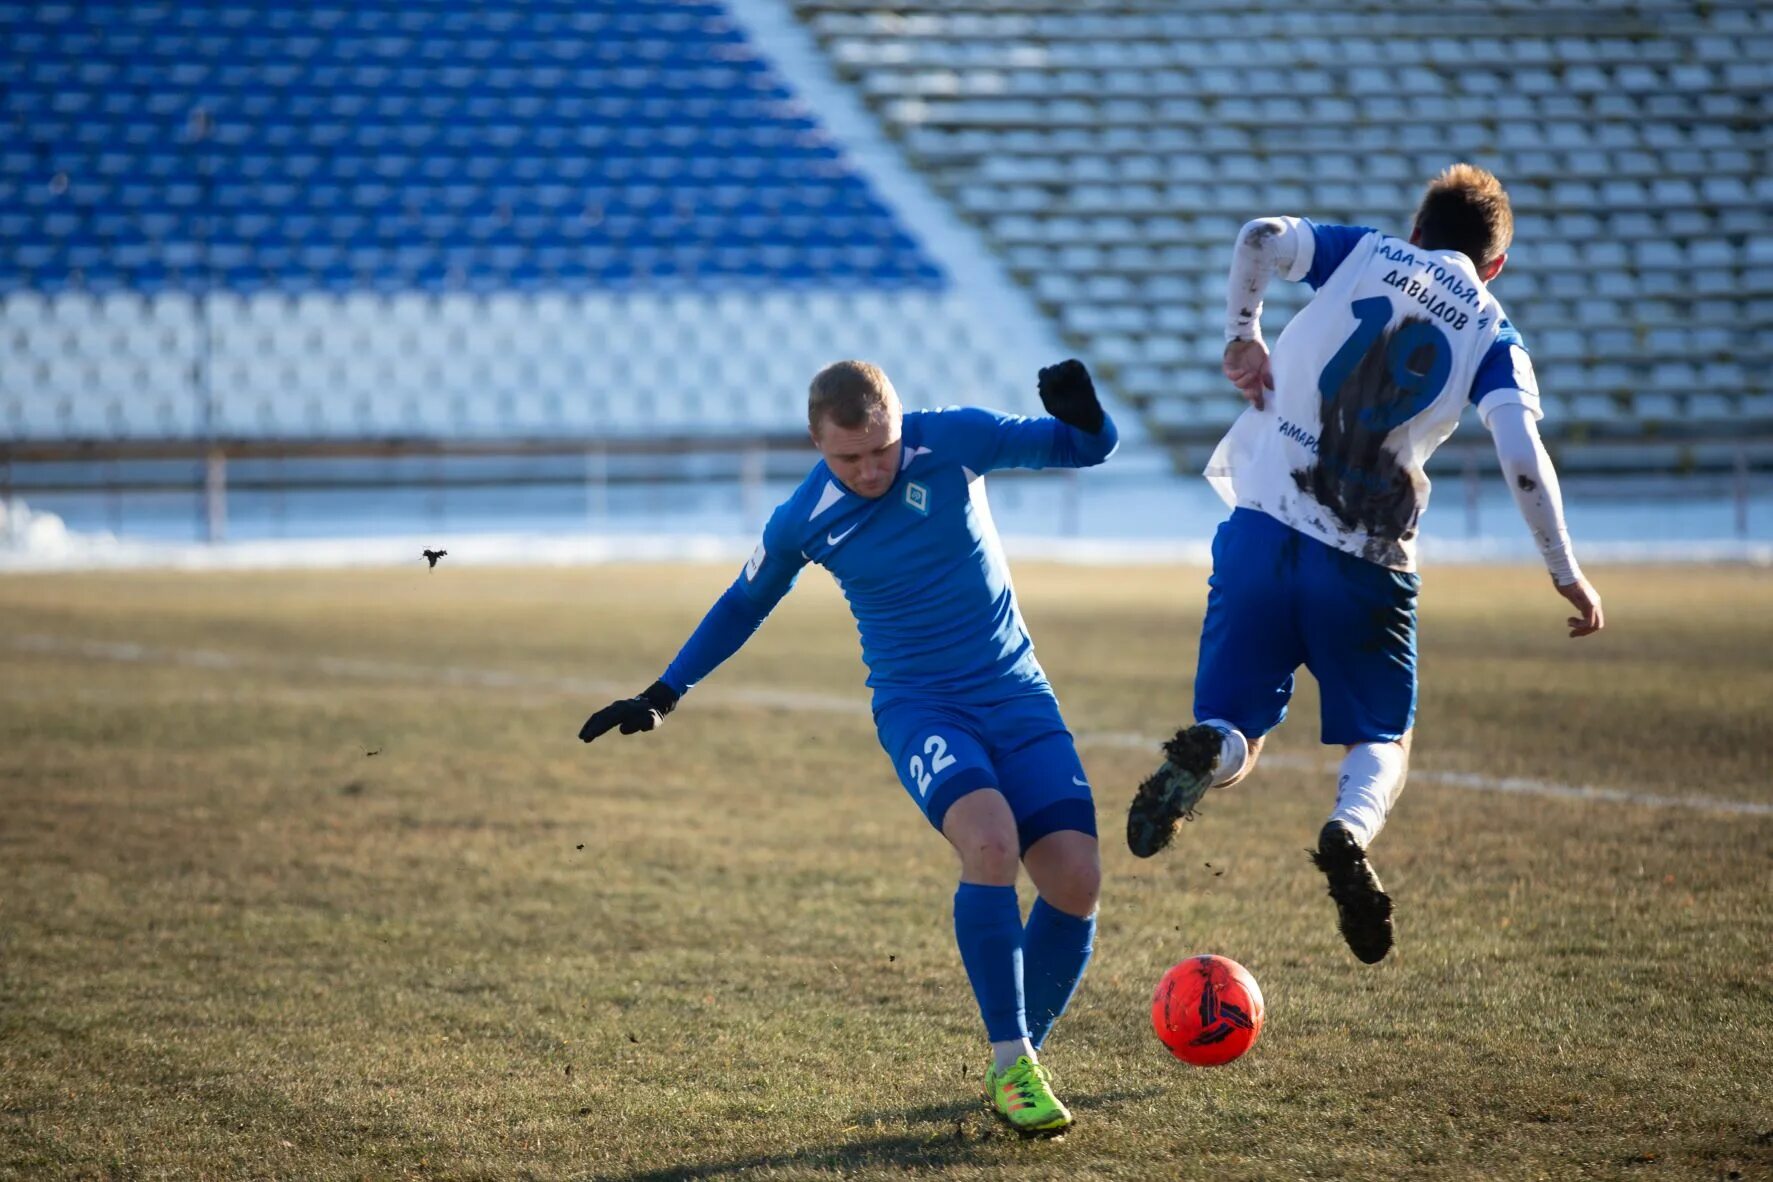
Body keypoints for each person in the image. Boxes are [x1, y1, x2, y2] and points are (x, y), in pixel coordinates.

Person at [580, 359, 1118, 1135]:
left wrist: (1087, 416)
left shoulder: (955, 440)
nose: (870, 470)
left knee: (1076, 878)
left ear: (901, 423)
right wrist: (664, 692)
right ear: (815, 442)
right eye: (848, 457)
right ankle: (1013, 1064)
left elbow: (1083, 450)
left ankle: (1020, 1051)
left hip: (1018, 695)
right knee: (991, 845)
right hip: (922, 709)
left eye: (882, 450)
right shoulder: (803, 517)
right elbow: (743, 602)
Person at [1127, 163, 1605, 964]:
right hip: (1366, 559)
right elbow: (1520, 453)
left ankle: (1210, 749)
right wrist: (1563, 568)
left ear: (1417, 231)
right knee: (1384, 735)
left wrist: (1242, 335)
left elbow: (1258, 236)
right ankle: (1346, 830)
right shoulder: (1491, 330)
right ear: (1494, 266)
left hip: (1261, 527)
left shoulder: (1363, 252)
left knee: (1235, 725)